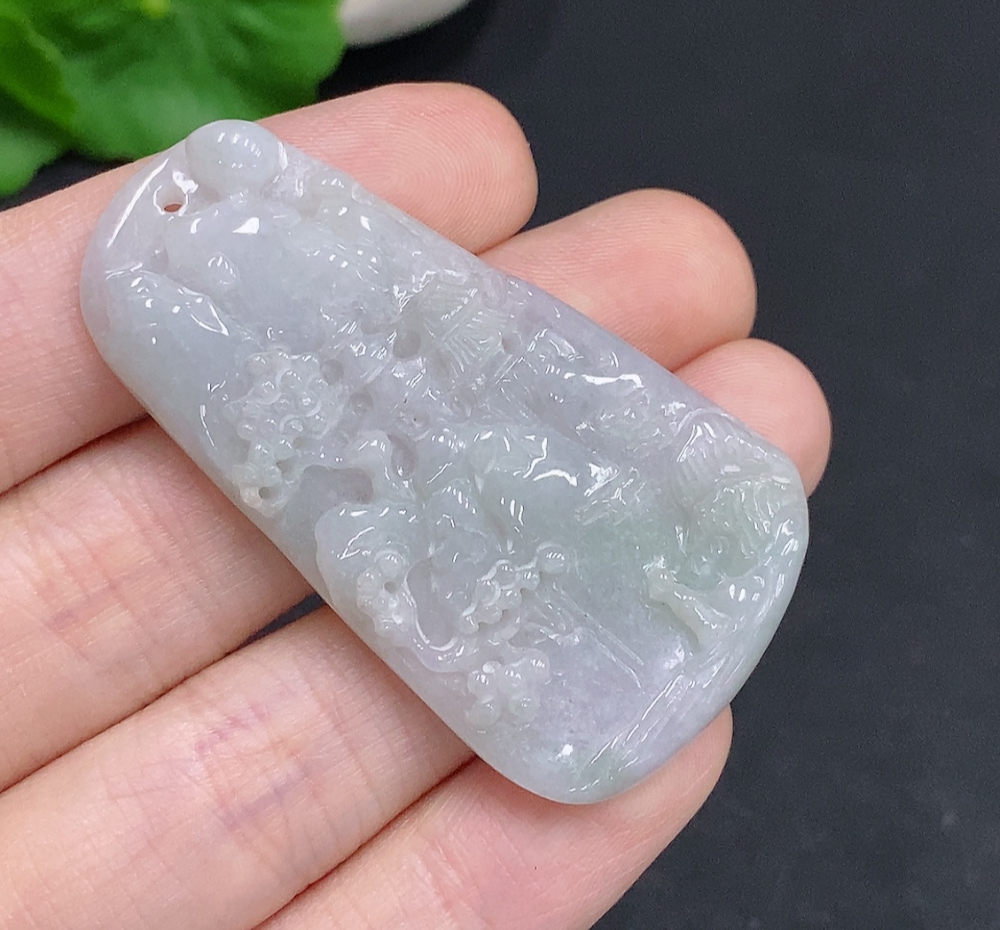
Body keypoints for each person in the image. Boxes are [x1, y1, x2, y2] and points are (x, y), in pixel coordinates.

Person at [0, 83, 830, 929]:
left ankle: (653, 584)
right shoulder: (293, 393)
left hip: (500, 464)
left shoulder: (385, 295)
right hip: (432, 490)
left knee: (548, 489)